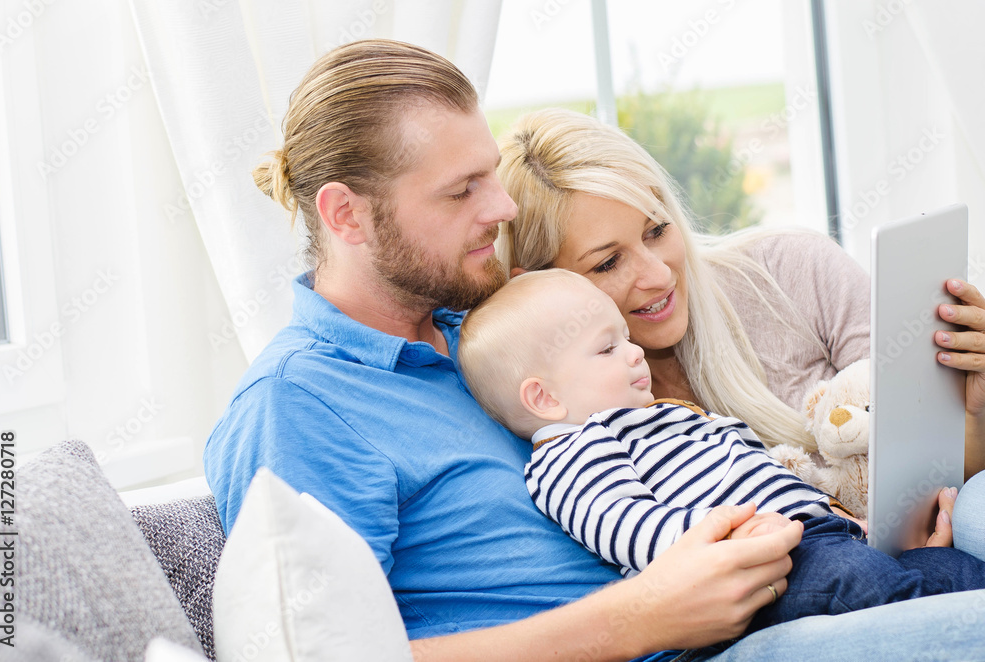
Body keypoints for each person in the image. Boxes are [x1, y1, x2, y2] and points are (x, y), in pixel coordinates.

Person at [204, 39, 985, 662]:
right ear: (346, 215)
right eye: (462, 190)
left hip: (756, 607)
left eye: (491, 176)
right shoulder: (299, 403)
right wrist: (637, 617)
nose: (501, 207)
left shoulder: (485, 334)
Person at [458, 267, 985, 632]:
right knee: (876, 591)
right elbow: (625, 526)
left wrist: (838, 514)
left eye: (626, 337)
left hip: (823, 538)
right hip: (761, 573)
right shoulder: (573, 452)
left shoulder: (665, 417)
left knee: (951, 572)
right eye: (607, 348)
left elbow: (764, 472)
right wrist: (729, 539)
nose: (635, 352)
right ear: (544, 398)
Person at [496, 106, 985, 482]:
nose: (659, 276)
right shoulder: (555, 413)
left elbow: (947, 472)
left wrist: (975, 413)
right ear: (537, 285)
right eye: (608, 263)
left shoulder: (794, 269)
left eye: (657, 230)